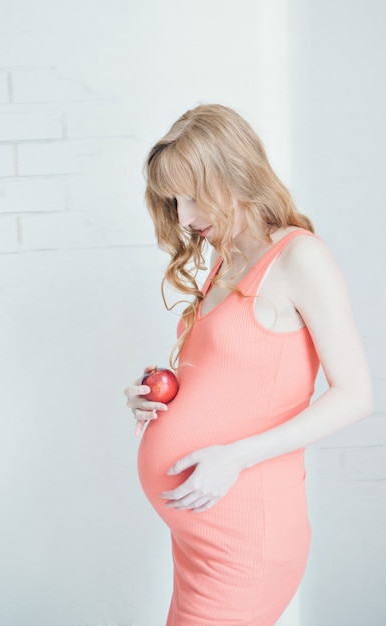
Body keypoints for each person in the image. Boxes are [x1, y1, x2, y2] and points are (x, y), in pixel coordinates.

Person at [124, 104, 372, 626]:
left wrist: (235, 457)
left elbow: (355, 395)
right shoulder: (225, 256)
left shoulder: (300, 258)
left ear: (235, 171)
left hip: (245, 541)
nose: (185, 217)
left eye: (193, 196)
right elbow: (233, 375)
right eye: (175, 201)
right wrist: (159, 395)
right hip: (199, 535)